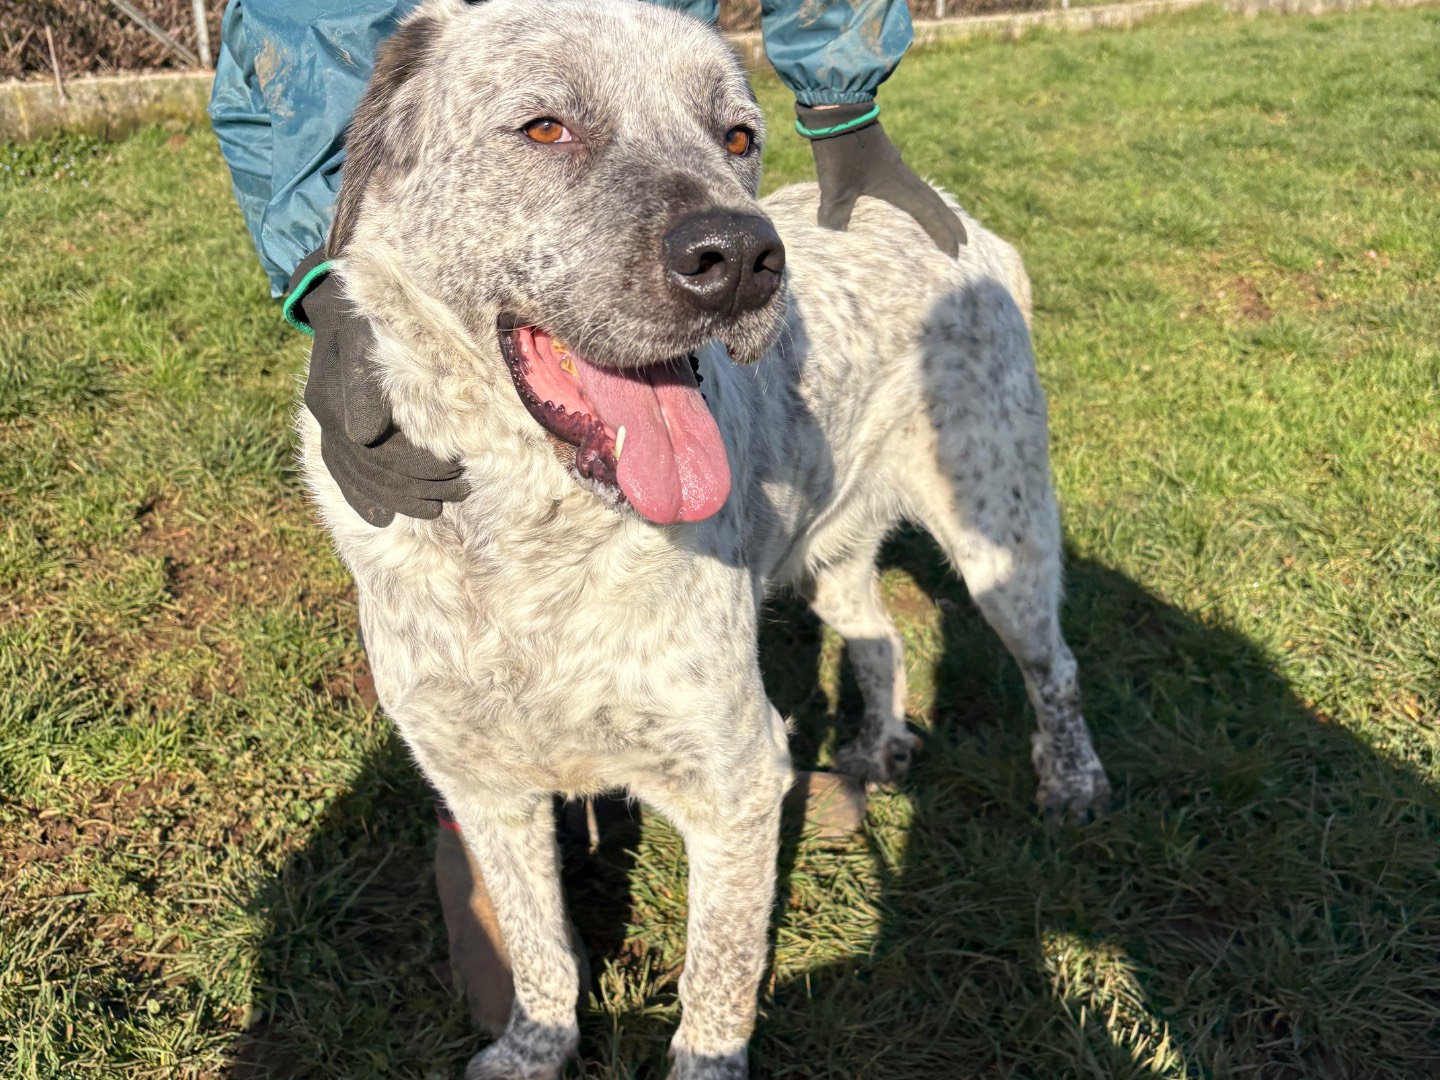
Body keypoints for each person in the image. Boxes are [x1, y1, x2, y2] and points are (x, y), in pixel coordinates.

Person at [209, 0, 963, 1034]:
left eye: (731, 140)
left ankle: (708, 1037)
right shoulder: (430, 71)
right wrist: (317, 269)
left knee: (708, 763)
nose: (728, 232)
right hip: (425, 372)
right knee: (478, 756)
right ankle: (543, 1004)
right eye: (546, 130)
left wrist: (839, 100)